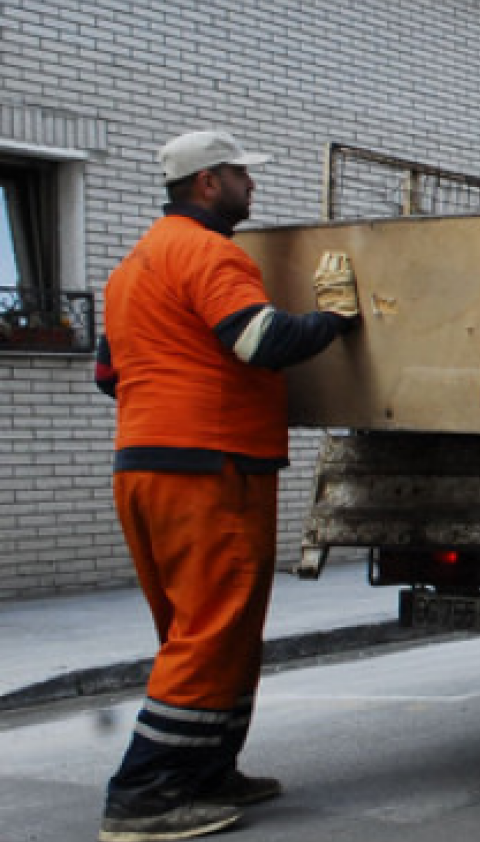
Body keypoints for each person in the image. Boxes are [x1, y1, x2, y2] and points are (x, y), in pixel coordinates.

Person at [94, 130, 362, 842]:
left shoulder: (134, 266)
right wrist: (335, 319)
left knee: (206, 629)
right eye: (243, 174)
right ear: (209, 182)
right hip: (211, 468)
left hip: (147, 467)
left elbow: (106, 375)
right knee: (212, 633)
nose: (253, 185)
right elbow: (259, 340)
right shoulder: (210, 253)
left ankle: (206, 771)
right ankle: (144, 797)